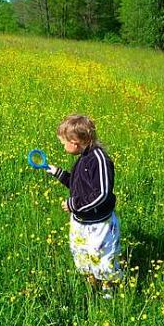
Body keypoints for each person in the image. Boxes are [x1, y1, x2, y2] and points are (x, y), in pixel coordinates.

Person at [46, 114, 122, 296]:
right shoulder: (83, 158)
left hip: (99, 224)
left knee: (103, 257)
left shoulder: (99, 160)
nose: (63, 146)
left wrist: (74, 204)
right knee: (81, 254)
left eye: (63, 142)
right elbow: (80, 186)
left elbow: (101, 194)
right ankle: (92, 284)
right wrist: (58, 173)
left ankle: (108, 290)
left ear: (75, 142)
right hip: (80, 222)